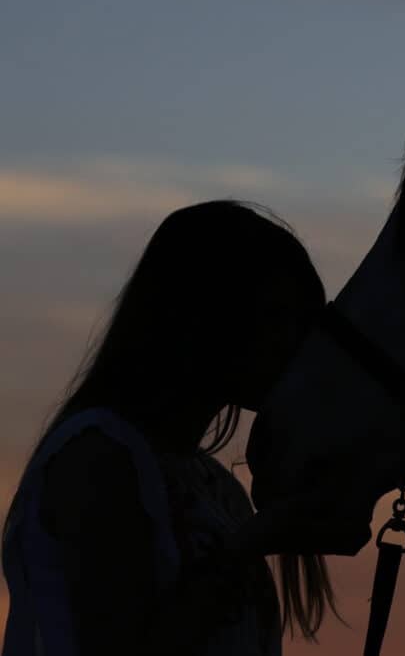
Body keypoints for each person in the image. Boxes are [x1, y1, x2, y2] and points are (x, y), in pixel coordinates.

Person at [1, 199, 346, 655]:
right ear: (209, 317)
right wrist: (257, 541)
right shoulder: (98, 458)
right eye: (280, 317)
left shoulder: (218, 490)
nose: (299, 343)